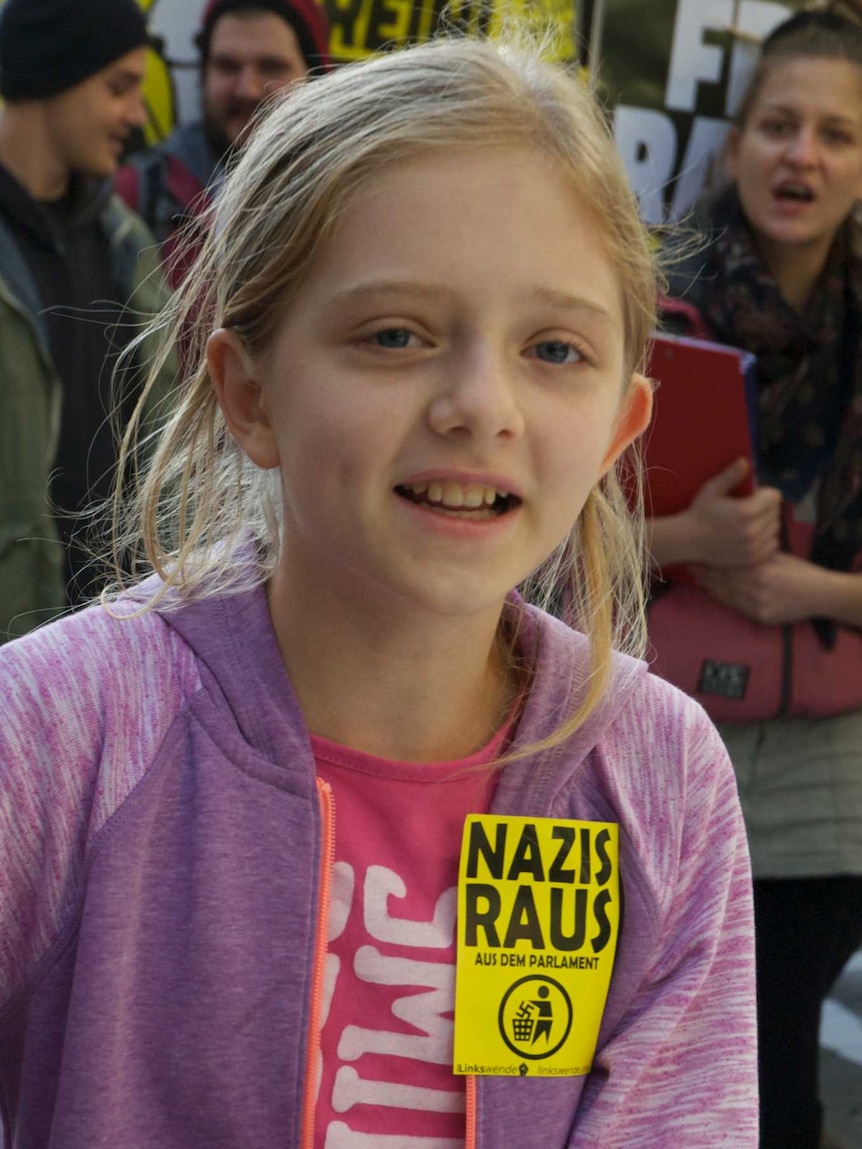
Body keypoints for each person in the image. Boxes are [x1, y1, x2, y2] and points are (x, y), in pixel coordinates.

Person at [0, 36, 757, 1147]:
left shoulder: (658, 776)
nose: (477, 404)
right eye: (393, 334)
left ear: (617, 428)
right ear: (248, 395)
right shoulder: (63, 727)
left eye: (553, 349)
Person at [647, 5, 862, 1147]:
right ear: (734, 145)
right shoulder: (646, 307)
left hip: (828, 769)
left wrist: (812, 594)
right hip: (651, 728)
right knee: (627, 1058)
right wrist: (686, 537)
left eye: (837, 132)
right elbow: (536, 532)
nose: (803, 154)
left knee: (774, 1074)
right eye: (779, 124)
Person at [0, 0, 175, 642]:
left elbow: (163, 451)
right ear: (55, 73)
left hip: (116, 647)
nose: (136, 113)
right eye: (119, 87)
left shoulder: (124, 243)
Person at [115, 0, 331, 286]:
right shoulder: (135, 197)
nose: (247, 90)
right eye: (228, 66)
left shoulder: (353, 205)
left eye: (271, 67)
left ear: (315, 79)